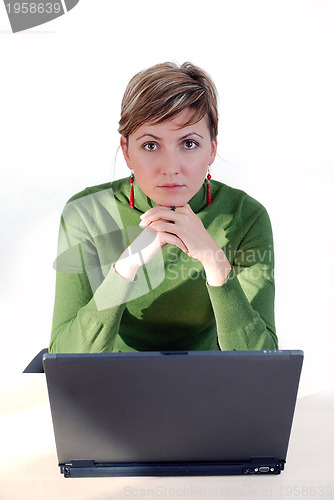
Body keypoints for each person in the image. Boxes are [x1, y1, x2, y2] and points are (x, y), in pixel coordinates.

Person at [49, 61, 277, 353]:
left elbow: (263, 364)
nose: (171, 168)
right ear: (126, 151)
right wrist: (124, 269)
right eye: (151, 145)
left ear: (212, 150)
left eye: (190, 144)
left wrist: (215, 262)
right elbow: (64, 358)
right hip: (114, 386)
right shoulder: (87, 212)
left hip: (210, 386)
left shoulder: (245, 215)